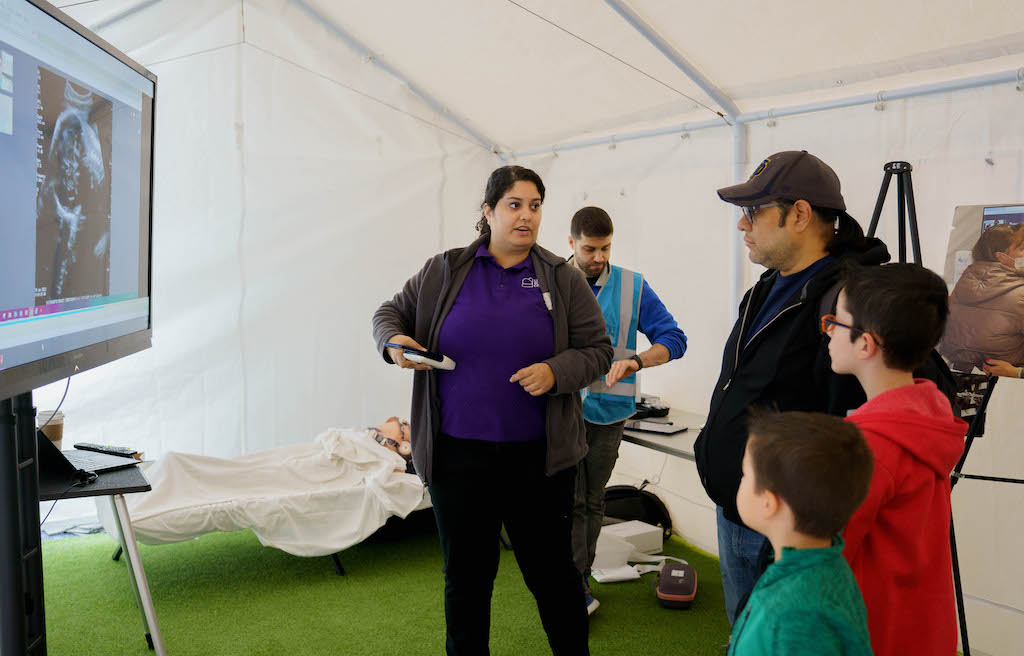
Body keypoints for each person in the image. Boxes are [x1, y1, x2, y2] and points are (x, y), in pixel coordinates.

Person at [371, 165, 612, 656]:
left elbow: (599, 351)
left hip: (538, 462)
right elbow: (388, 313)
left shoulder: (561, 278)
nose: (527, 216)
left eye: (536, 206)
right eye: (514, 205)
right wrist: (394, 341)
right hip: (457, 459)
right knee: (466, 580)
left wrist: (555, 371)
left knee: (552, 578)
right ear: (488, 211)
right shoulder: (445, 270)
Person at [694, 150, 890, 624]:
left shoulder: (851, 301)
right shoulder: (767, 286)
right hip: (741, 504)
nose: (743, 226)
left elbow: (873, 417)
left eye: (753, 212)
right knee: (747, 631)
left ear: (799, 214)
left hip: (788, 524)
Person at [825, 263, 968, 656]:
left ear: (865, 344)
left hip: (871, 632)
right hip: (922, 628)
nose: (830, 330)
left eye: (836, 321)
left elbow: (824, 556)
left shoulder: (867, 446)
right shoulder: (930, 415)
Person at [565, 206, 687, 615]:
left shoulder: (634, 286)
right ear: (571, 244)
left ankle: (576, 585)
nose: (598, 257)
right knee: (559, 499)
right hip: (554, 411)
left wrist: (637, 361)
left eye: (605, 248)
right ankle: (557, 579)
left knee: (589, 501)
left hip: (607, 413)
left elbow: (674, 338)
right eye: (589, 249)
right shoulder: (547, 279)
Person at [728, 410, 874, 655]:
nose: (740, 481)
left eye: (745, 474)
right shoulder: (819, 565)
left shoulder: (798, 620)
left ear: (768, 502)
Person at [939, 223, 1024, 377]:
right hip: (1010, 389)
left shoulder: (961, 286)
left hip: (959, 384)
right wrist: (1018, 372)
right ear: (1001, 257)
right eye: (1023, 249)